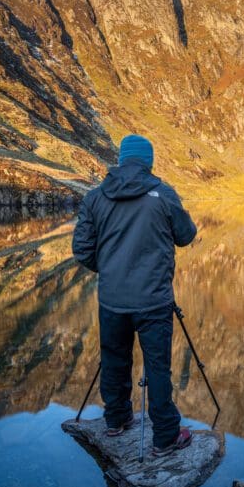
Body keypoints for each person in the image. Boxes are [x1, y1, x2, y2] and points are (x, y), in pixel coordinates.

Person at [72, 134, 198, 456]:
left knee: (114, 358)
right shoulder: (163, 194)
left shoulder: (96, 198)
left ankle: (116, 420)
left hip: (112, 299)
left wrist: (111, 270)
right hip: (154, 301)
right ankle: (166, 436)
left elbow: (82, 249)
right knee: (157, 367)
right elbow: (186, 236)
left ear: (121, 159)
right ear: (148, 161)